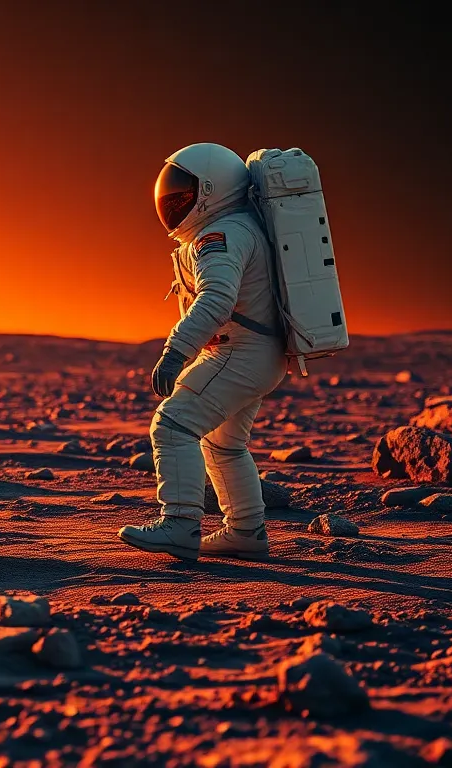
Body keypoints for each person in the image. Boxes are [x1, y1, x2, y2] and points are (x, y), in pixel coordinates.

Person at [118, 142, 287, 560]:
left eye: (183, 193)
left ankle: (179, 524)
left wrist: (176, 351)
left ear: (210, 191)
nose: (173, 203)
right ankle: (245, 532)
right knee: (224, 444)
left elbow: (216, 299)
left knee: (173, 425)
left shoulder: (220, 236)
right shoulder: (240, 227)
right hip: (258, 353)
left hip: (240, 353)